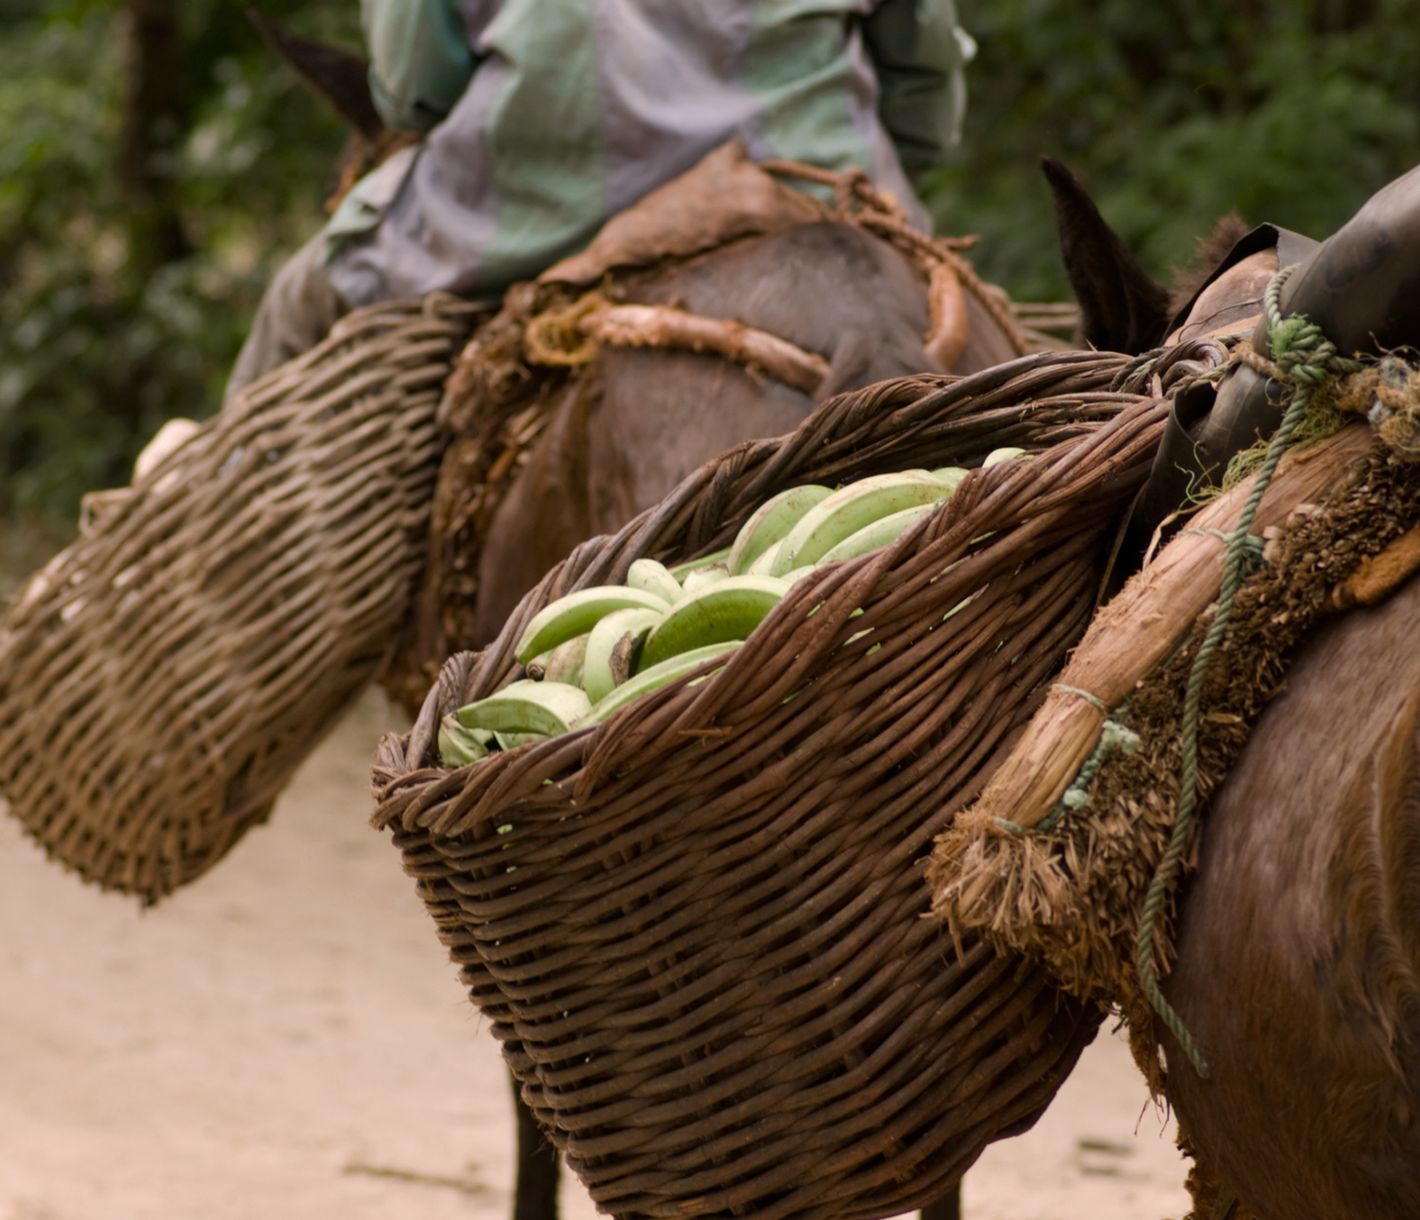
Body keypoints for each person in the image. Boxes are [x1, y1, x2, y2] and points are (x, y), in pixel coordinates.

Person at [226, 0, 975, 401]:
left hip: (551, 215)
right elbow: (924, 93)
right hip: (814, 189)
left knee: (307, 295)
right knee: (983, 309)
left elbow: (416, 92)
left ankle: (209, 585)